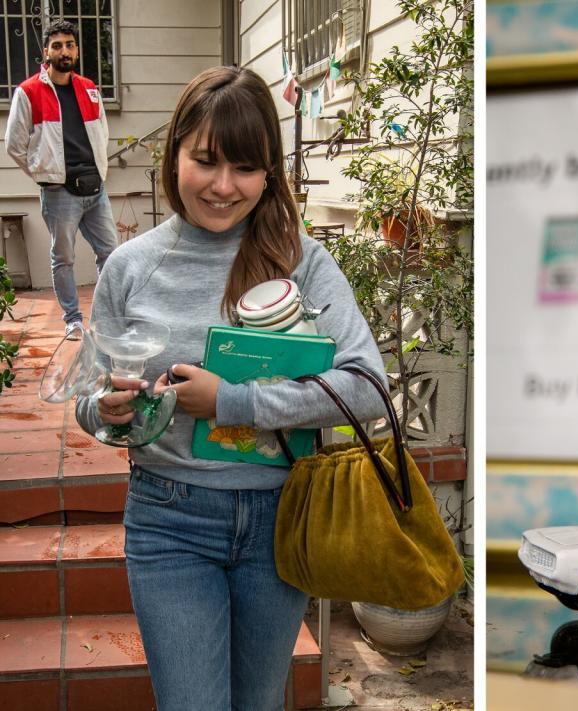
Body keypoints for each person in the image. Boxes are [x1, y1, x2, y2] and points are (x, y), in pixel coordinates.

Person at [74, 66, 386, 710]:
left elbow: (364, 385)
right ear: (175, 156)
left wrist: (232, 402)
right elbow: (89, 401)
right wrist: (108, 411)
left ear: (269, 171)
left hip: (281, 520)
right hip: (169, 522)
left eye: (245, 167)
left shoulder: (300, 260)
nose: (223, 186)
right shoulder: (129, 268)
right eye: (206, 161)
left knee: (259, 703)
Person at [4, 19, 118, 339]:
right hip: (59, 192)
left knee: (111, 254)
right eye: (57, 45)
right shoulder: (28, 92)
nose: (64, 51)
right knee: (64, 258)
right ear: (46, 51)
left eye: (69, 45)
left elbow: (102, 133)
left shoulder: (90, 89)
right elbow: (14, 146)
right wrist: (43, 173)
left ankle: (107, 316)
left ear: (76, 50)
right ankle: (72, 319)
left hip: (96, 188)